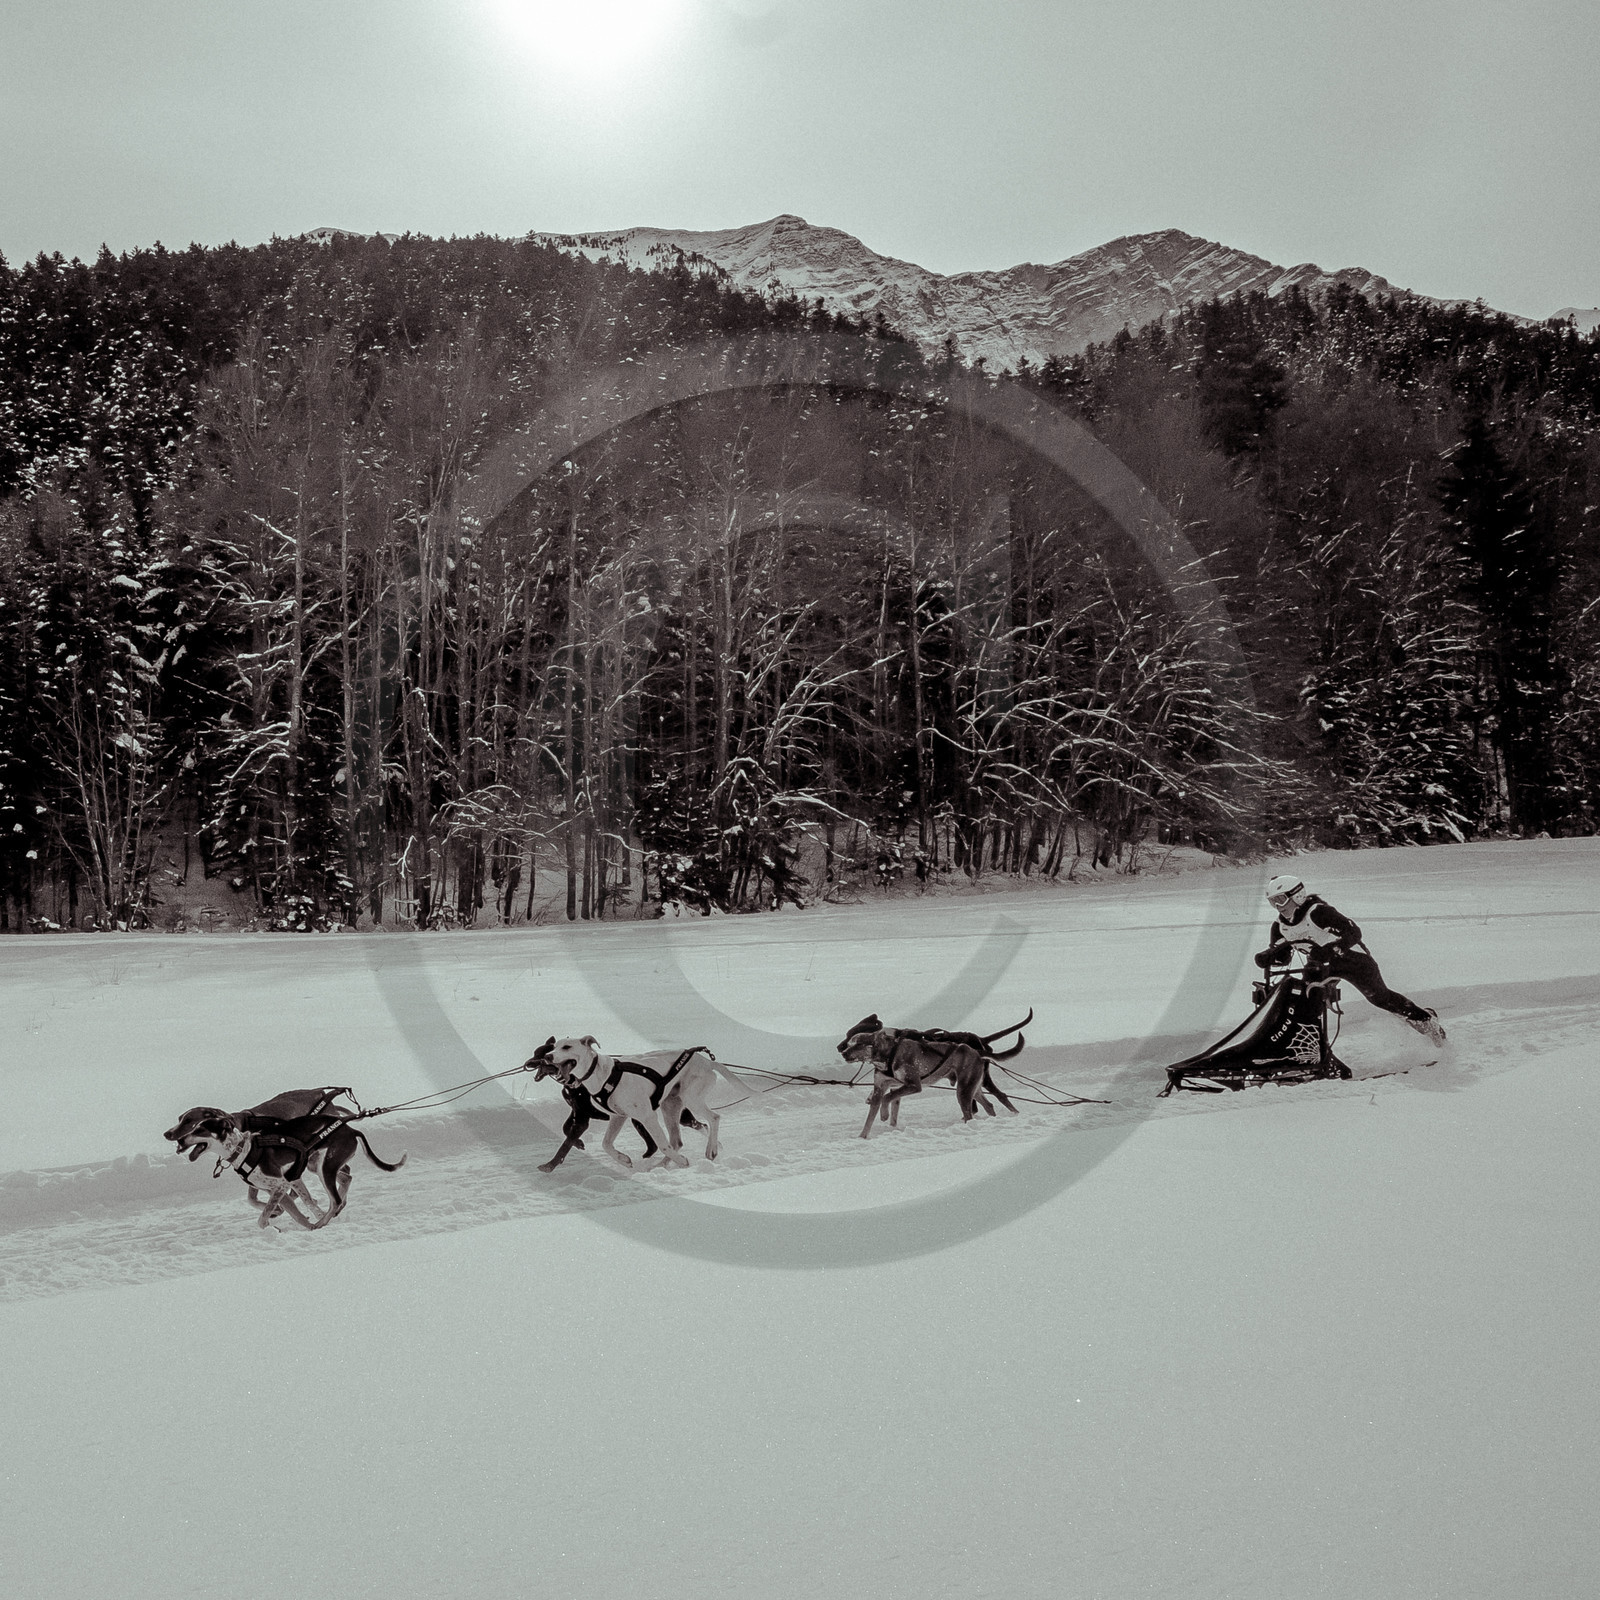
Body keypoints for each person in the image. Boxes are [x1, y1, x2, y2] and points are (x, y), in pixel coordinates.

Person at [1255, 873, 1446, 1047]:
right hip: (1320, 966)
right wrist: (1268, 957)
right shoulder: (1279, 927)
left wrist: (1331, 949)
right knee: (1305, 1000)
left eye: (1281, 900)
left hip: (1353, 960)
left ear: (1297, 895)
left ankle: (1427, 1021)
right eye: (1273, 903)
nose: (1278, 907)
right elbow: (1281, 954)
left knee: (1380, 998)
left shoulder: (1318, 912)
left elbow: (1353, 932)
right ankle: (1304, 1048)